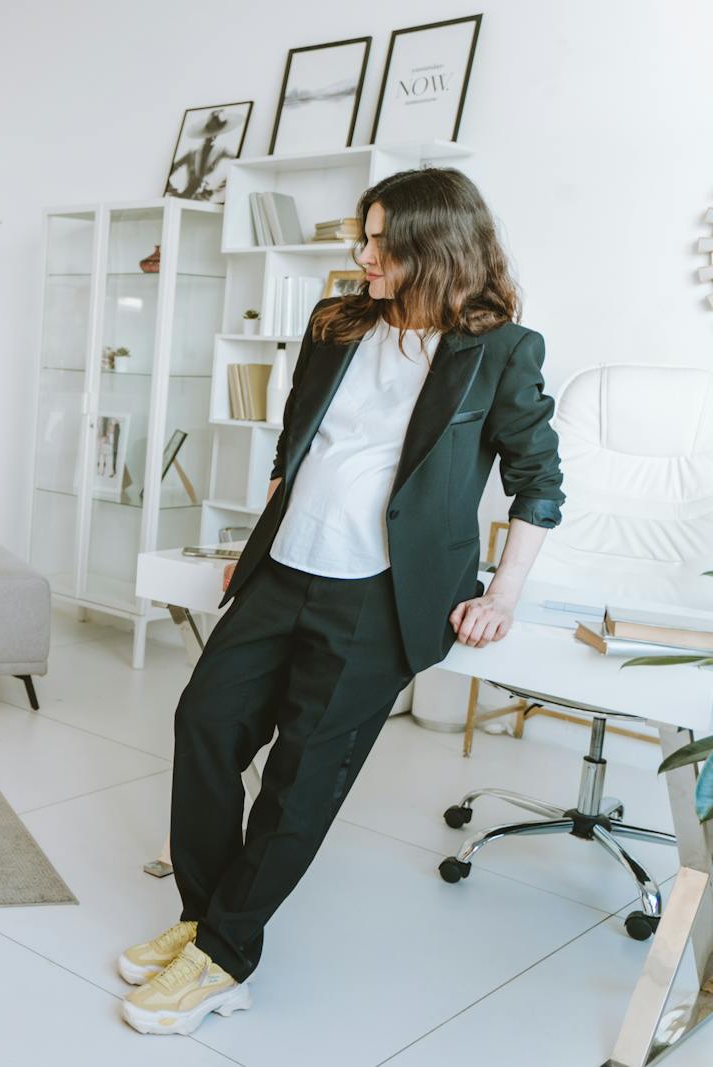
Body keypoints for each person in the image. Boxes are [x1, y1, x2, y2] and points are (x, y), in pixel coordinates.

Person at [118, 167, 565, 1035]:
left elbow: (538, 480)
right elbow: (294, 445)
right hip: (284, 568)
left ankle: (223, 957)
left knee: (300, 779)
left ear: (435, 247)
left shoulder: (501, 350)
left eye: (381, 242)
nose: (363, 255)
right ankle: (203, 920)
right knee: (204, 722)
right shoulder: (338, 321)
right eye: (364, 237)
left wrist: (503, 593)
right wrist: (252, 547)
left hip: (380, 595)